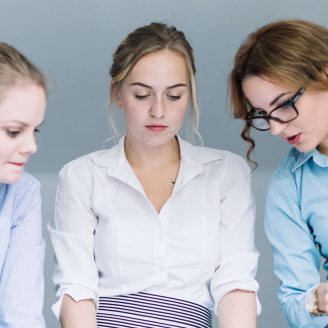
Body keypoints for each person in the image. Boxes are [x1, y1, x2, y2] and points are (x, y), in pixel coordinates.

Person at [48, 22, 259, 328]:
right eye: (142, 95)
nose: (158, 111)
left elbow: (236, 285)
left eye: (173, 96)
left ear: (190, 95)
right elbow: (76, 289)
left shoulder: (226, 173)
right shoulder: (82, 177)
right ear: (117, 93)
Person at [229, 18, 328, 328]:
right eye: (262, 115)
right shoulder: (290, 185)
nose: (274, 128)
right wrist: (319, 301)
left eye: (284, 105)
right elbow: (295, 302)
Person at [0, 43, 47, 327]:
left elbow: (23, 316)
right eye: (14, 131)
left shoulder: (23, 193)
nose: (31, 146)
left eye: (35, 130)